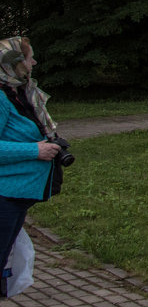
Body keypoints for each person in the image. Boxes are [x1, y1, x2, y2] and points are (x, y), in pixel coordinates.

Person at [0, 36, 60, 298]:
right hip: (4, 195)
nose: (34, 62)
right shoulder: (1, 97)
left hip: (17, 195)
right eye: (29, 57)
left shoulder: (17, 92)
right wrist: (35, 150)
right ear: (13, 63)